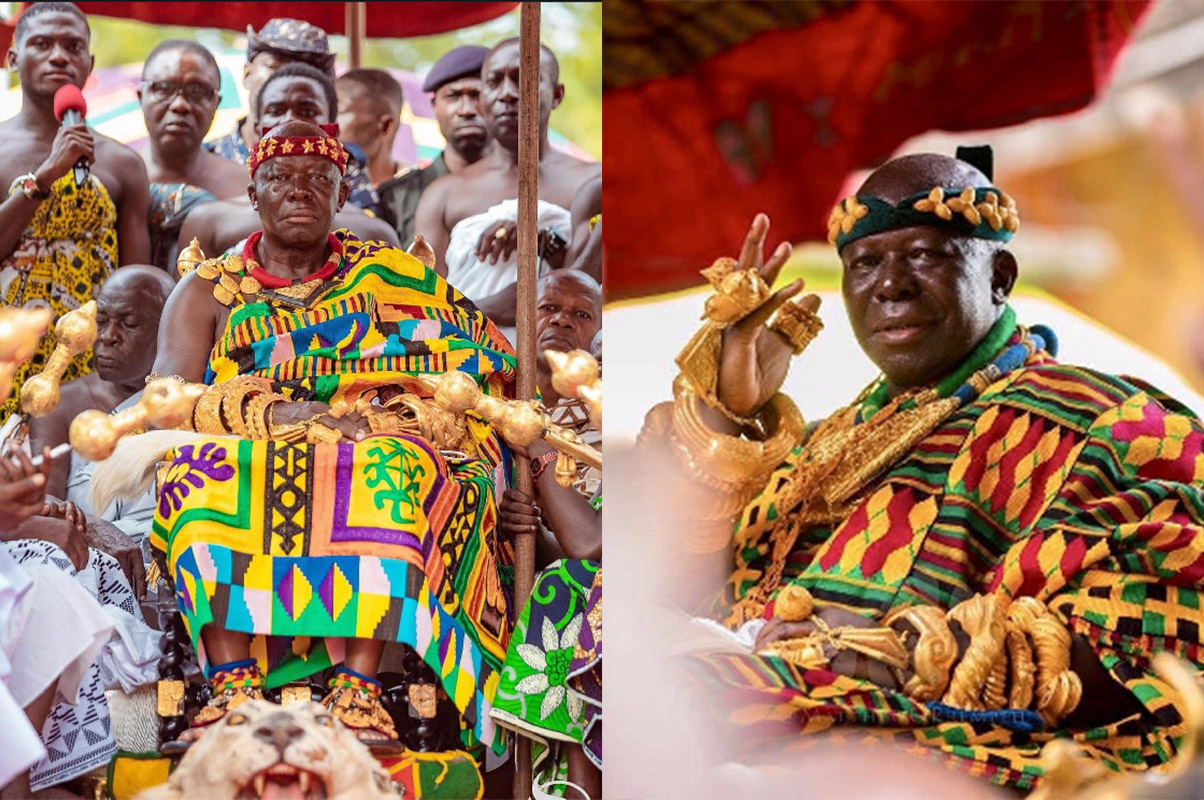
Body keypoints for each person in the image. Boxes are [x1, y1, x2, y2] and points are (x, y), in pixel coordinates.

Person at [640, 150, 1204, 792]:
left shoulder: (1113, 423)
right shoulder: (829, 438)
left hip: (932, 753)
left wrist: (870, 655)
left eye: (924, 254)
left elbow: (1154, 645)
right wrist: (730, 417)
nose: (890, 284)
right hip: (759, 708)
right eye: (865, 263)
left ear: (1000, 275)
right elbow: (678, 587)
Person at [145, 121, 516, 758]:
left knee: (390, 467)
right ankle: (233, 688)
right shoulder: (208, 289)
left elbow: (479, 365)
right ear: (252, 195)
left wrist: (373, 415)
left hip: (370, 442)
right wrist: (284, 413)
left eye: (319, 179)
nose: (300, 191)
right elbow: (163, 405)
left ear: (343, 195)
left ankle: (358, 691)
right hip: (247, 450)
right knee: (195, 473)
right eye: (280, 178)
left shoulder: (392, 276)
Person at [0, 2, 151, 419]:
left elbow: (136, 283)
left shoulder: (123, 163)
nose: (59, 56)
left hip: (91, 368)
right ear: (13, 59)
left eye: (72, 46)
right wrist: (45, 176)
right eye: (42, 44)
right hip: (6, 358)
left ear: (89, 63)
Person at [414, 39, 600, 341]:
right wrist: (493, 308)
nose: (508, 94)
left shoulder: (593, 184)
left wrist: (548, 242)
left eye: (523, 79)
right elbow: (423, 309)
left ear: (556, 95)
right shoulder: (443, 195)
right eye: (493, 82)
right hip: (469, 374)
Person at [178, 64, 398, 260]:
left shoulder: (374, 233)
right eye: (275, 111)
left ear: (333, 128)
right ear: (257, 128)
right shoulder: (208, 221)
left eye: (307, 111)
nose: (290, 120)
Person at [28, 264, 175, 545]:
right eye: (102, 320)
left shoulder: (192, 397)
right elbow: (42, 500)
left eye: (129, 323)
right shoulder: (61, 402)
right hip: (92, 552)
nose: (108, 336)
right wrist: (94, 529)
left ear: (166, 329)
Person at [139, 39, 249, 269]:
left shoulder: (246, 187)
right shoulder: (115, 178)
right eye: (164, 89)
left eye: (197, 91)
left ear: (216, 103)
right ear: (141, 96)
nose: (180, 105)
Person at [376, 45, 490, 246]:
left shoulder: (524, 189)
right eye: (453, 96)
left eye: (477, 95)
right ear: (434, 106)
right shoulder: (396, 198)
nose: (466, 109)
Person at [204, 17, 334, 166]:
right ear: (247, 74)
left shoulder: (339, 166)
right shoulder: (207, 162)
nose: (287, 79)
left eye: (303, 71)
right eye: (274, 66)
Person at [535, 270, 601, 497]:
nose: (562, 320)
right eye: (548, 308)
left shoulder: (606, 417)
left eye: (581, 314)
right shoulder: (487, 389)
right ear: (522, 316)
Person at [336, 68, 407, 188]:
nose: (327, 125)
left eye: (339, 113)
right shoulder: (321, 192)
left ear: (386, 127)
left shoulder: (424, 194)